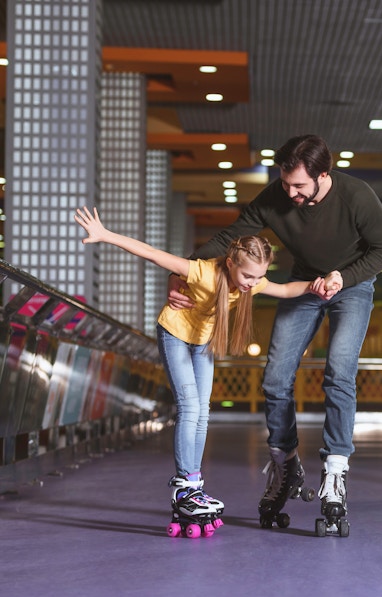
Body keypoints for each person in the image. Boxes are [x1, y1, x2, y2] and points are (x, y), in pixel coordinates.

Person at [167, 134, 382, 532]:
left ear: (323, 175)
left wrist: (343, 276)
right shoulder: (278, 195)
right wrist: (185, 272)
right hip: (303, 284)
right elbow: (230, 238)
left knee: (339, 372)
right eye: (285, 182)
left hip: (352, 286)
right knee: (275, 378)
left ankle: (335, 472)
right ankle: (285, 465)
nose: (289, 192)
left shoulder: (357, 195)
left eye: (299, 186)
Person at [74, 206, 330, 537]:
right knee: (190, 406)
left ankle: (194, 483)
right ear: (231, 263)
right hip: (175, 335)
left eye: (258, 277)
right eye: (247, 277)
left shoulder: (251, 283)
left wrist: (318, 285)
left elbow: (284, 289)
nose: (252, 284)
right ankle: (185, 484)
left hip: (202, 343)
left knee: (204, 411)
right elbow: (153, 255)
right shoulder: (203, 272)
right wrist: (105, 235)